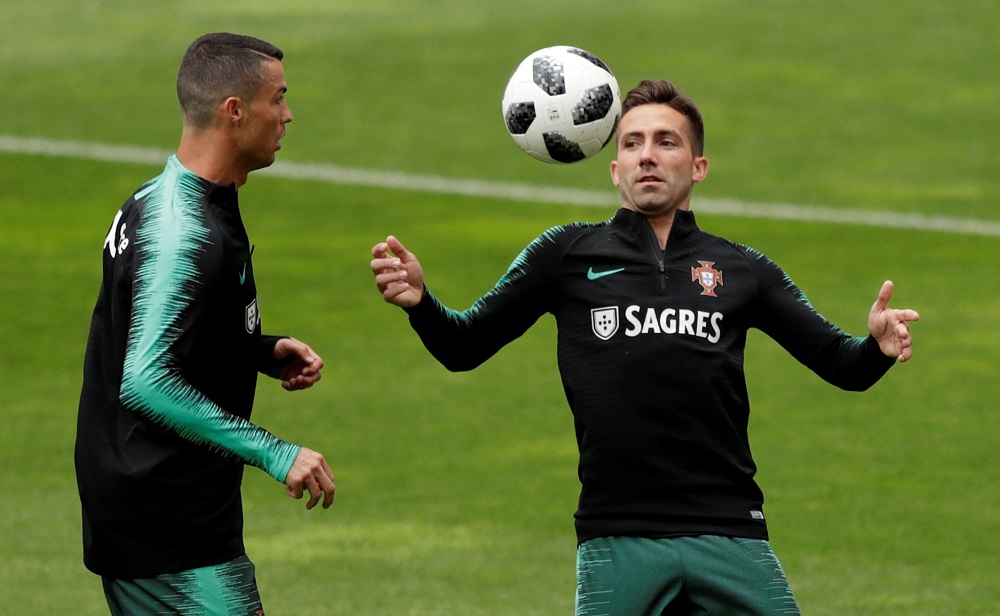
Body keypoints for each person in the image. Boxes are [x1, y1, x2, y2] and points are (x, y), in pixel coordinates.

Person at [370, 79, 919, 614]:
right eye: (632, 143)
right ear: (615, 170)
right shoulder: (565, 255)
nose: (647, 156)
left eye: (666, 141)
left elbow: (842, 365)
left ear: (698, 167)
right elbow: (464, 346)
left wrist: (876, 344)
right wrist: (422, 302)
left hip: (729, 531)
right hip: (617, 537)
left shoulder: (743, 268)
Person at [75, 33, 336, 615]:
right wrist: (274, 452)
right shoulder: (182, 230)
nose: (288, 115)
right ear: (234, 111)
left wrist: (259, 351)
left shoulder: (171, 199)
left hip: (162, 509)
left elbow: (164, 331)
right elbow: (144, 380)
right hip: (168, 525)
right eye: (278, 99)